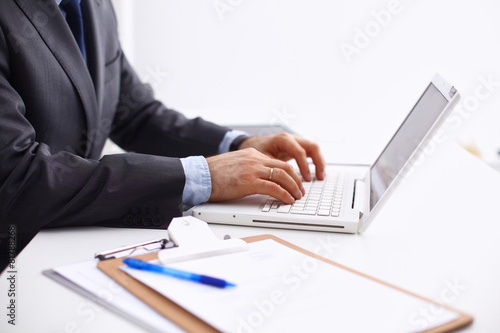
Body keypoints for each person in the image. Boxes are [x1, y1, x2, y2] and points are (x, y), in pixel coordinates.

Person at [0, 0, 325, 271]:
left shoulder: (94, 5)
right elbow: (19, 175)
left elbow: (135, 114)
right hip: (15, 265)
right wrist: (199, 176)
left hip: (67, 244)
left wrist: (237, 144)